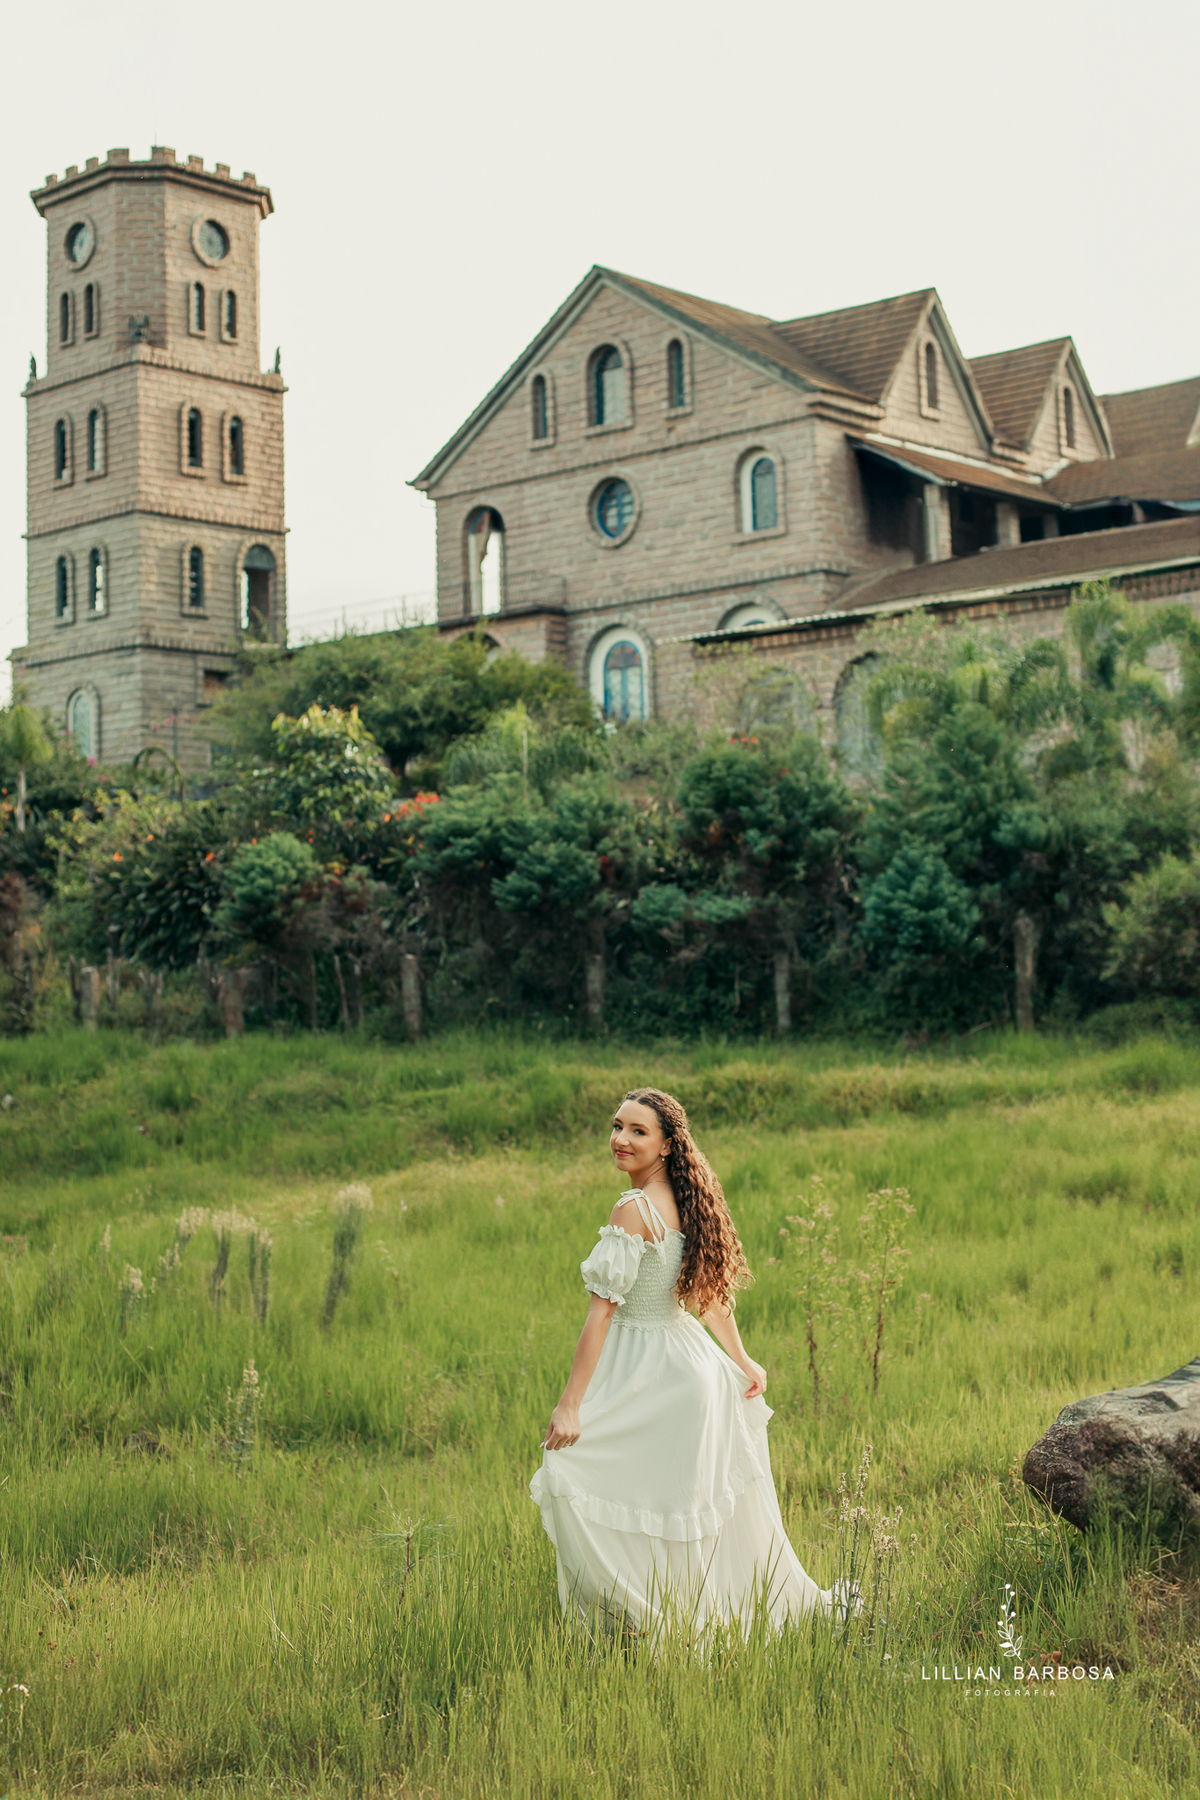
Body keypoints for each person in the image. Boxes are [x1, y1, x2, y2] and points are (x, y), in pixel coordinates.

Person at [530, 1086, 852, 1639]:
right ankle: (679, 1614)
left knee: (575, 1471)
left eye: (637, 1131)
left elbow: (601, 1316)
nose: (620, 1140)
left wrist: (570, 1404)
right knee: (675, 1501)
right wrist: (741, 1359)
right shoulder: (687, 1201)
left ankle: (655, 1621)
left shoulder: (632, 1209)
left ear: (667, 1145)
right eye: (617, 1126)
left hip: (649, 1367)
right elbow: (708, 1298)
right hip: (693, 1369)